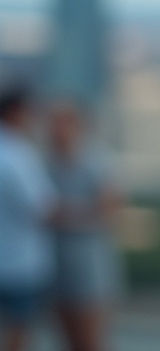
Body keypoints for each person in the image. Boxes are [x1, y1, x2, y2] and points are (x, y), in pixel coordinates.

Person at [46, 101, 121, 351]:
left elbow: (109, 212)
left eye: (62, 123)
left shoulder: (96, 161)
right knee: (67, 340)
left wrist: (61, 213)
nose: (55, 130)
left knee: (90, 342)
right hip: (58, 265)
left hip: (91, 268)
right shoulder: (47, 163)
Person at [0, 86, 56, 351]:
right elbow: (42, 209)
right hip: (18, 266)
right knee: (17, 334)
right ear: (16, 112)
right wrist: (94, 213)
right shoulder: (19, 154)